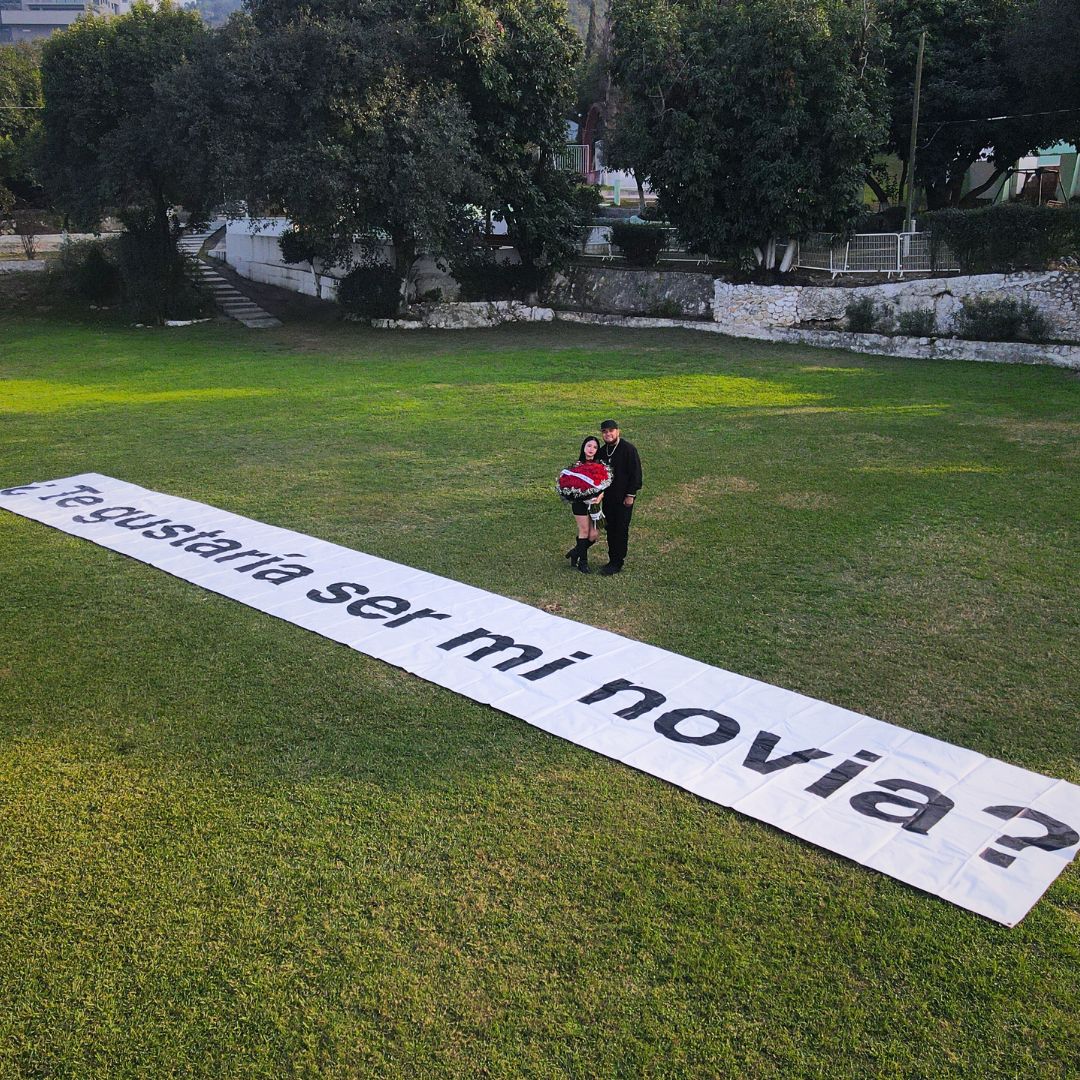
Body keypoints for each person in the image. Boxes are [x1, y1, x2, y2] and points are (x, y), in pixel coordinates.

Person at [596, 419, 642, 576]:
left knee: (620, 529)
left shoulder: (628, 449)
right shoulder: (602, 452)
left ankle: (618, 561)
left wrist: (631, 495)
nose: (608, 434)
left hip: (623, 499)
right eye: (604, 432)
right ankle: (612, 559)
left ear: (618, 431)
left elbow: (636, 474)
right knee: (610, 528)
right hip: (608, 498)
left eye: (611, 431)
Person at [565, 435, 605, 574]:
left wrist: (599, 497)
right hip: (579, 504)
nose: (591, 449)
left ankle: (575, 552)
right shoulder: (577, 466)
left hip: (594, 504)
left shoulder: (600, 466)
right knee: (584, 531)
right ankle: (583, 563)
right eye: (589, 446)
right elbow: (570, 486)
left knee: (594, 535)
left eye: (595, 447)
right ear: (584, 447)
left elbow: (604, 486)